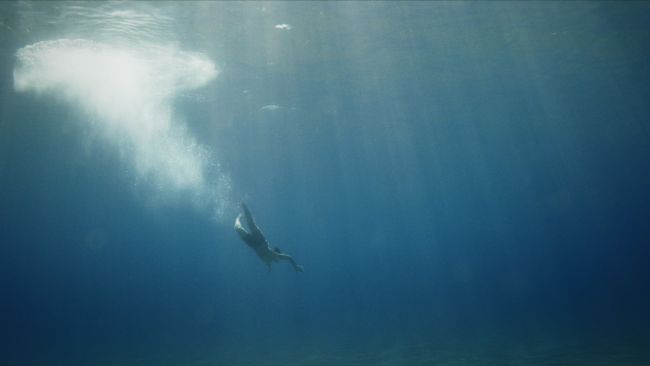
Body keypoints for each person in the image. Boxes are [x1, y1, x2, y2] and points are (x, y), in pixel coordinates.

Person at [234, 203, 304, 272]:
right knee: (251, 223)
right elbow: (289, 257)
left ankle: (238, 218)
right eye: (279, 258)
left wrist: (269, 268)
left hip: (253, 244)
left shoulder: (268, 261)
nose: (278, 261)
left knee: (237, 228)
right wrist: (295, 266)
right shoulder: (275, 255)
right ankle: (243, 205)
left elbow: (268, 264)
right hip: (260, 240)